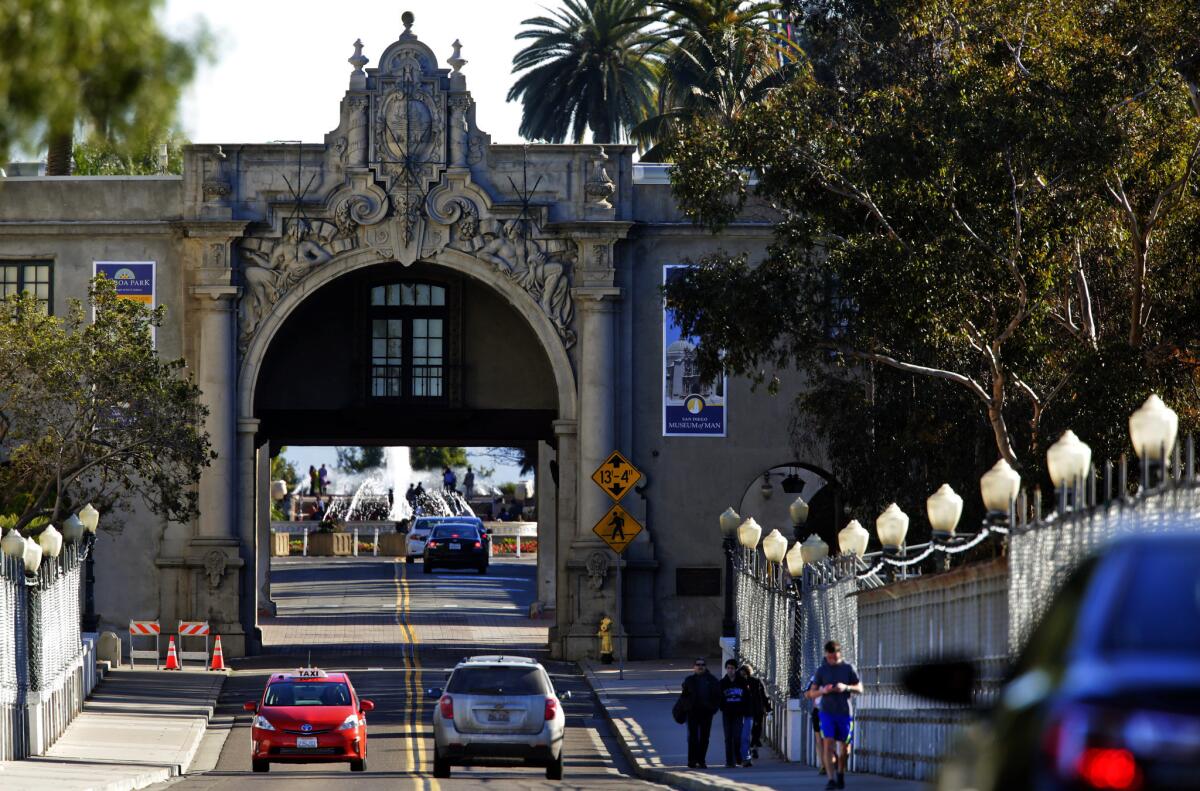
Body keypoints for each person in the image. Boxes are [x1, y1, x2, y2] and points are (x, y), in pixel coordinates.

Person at [806, 640, 862, 790]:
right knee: (828, 744)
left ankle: (841, 772)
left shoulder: (848, 668)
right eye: (829, 658)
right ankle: (831, 779)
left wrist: (846, 687)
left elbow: (860, 688)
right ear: (826, 655)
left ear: (839, 654)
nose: (832, 660)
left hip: (844, 713)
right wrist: (823, 691)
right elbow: (810, 693)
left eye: (834, 658)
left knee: (845, 749)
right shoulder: (821, 671)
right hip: (826, 713)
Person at [681, 658, 721, 768]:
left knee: (704, 737)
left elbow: (717, 696)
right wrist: (687, 707)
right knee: (692, 737)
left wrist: (713, 709)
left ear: (705, 666)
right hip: (692, 712)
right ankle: (692, 760)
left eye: (702, 664)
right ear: (694, 667)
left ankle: (701, 760)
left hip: (706, 713)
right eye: (698, 664)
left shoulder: (712, 680)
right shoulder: (689, 680)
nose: (700, 666)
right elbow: (684, 696)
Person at [719, 659, 749, 768]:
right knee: (728, 737)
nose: (730, 670)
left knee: (737, 736)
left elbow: (746, 696)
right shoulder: (723, 683)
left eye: (732, 668)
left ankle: (738, 758)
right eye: (728, 668)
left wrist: (743, 709)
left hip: (738, 713)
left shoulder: (742, 682)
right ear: (726, 669)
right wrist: (722, 707)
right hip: (727, 713)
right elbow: (719, 698)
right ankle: (729, 761)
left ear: (735, 669)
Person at [739, 664, 771, 762]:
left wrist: (768, 708)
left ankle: (751, 748)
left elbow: (764, 696)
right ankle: (753, 747)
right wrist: (769, 708)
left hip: (750, 710)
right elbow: (764, 696)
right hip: (757, 709)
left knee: (750, 731)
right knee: (756, 730)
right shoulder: (756, 681)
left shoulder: (742, 682)